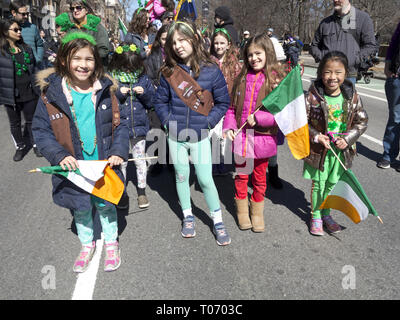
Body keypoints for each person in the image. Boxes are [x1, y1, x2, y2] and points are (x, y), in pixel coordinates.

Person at [32, 32, 129, 272]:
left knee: (106, 205)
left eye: (89, 59)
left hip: (103, 164)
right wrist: (59, 155)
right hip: (74, 168)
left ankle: (111, 242)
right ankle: (87, 245)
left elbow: (121, 124)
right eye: (76, 58)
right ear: (64, 60)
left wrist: (117, 150)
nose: (83, 65)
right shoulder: (50, 95)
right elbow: (41, 131)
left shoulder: (107, 91)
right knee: (81, 207)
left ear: (96, 61)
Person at [153, 20, 232, 246]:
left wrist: (208, 122)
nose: (178, 46)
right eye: (174, 42)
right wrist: (168, 123)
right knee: (181, 176)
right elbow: (160, 102)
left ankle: (217, 219)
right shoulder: (169, 72)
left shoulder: (211, 71)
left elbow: (223, 102)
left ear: (194, 40)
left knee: (206, 179)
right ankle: (187, 216)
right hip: (176, 135)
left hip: (200, 134)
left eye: (182, 40)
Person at [223, 34, 285, 233]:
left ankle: (257, 210)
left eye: (258, 53)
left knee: (260, 177)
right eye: (249, 55)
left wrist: (260, 119)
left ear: (268, 53)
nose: (253, 58)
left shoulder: (275, 80)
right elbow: (232, 109)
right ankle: (241, 209)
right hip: (242, 138)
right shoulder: (241, 77)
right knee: (241, 175)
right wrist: (229, 127)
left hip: (263, 139)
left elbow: (281, 115)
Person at [303, 51, 368, 236]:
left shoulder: (352, 97)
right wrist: (316, 136)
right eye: (327, 72)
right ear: (320, 73)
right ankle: (315, 215)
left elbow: (362, 122)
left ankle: (326, 214)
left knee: (332, 185)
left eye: (338, 72)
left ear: (346, 73)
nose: (332, 77)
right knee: (318, 184)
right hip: (319, 150)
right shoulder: (312, 97)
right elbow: (301, 123)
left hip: (340, 151)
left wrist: (347, 139)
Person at [109, 42, 155, 209]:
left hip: (139, 125)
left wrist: (146, 93)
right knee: (121, 161)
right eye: (125, 67)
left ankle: (141, 192)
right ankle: (121, 193)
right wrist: (118, 94)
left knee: (140, 159)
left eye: (132, 67)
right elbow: (106, 103)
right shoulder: (112, 79)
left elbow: (152, 102)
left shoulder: (143, 78)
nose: (129, 70)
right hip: (119, 126)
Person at [0, 18, 41, 161]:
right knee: (15, 123)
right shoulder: (2, 52)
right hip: (10, 94)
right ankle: (20, 146)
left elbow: (34, 69)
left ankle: (35, 144)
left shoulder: (27, 48)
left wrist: (38, 86)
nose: (19, 32)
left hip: (29, 92)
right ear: (5, 32)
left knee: (31, 121)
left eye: (19, 29)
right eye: (15, 30)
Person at [310, 0, 377, 84]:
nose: (335, 0)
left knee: (346, 97)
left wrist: (353, 60)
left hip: (348, 75)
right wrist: (323, 59)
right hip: (325, 74)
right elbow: (314, 46)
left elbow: (370, 45)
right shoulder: (325, 22)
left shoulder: (363, 18)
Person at [210, 27, 242, 176]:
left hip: (229, 105)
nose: (219, 46)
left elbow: (238, 82)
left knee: (225, 135)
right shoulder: (209, 61)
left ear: (228, 44)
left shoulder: (234, 64)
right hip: (213, 104)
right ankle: (214, 163)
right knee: (214, 135)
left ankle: (223, 161)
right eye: (216, 43)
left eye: (222, 43)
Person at [146, 24, 172, 176]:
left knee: (172, 130)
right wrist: (154, 87)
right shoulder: (153, 54)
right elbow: (148, 75)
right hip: (157, 95)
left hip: (172, 97)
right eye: (163, 39)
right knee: (157, 129)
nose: (166, 42)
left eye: (168, 39)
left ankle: (170, 160)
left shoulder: (176, 54)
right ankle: (158, 161)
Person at [54, 1, 110, 66]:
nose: (75, 10)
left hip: (95, 69)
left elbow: (103, 50)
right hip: (75, 69)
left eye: (78, 8)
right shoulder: (71, 29)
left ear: (86, 10)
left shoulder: (97, 28)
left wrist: (86, 58)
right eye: (72, 8)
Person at [377, 21, 400, 170]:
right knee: (395, 117)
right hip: (397, 77)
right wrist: (387, 65)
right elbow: (393, 44)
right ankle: (388, 155)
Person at [10, 0, 43, 66]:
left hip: (32, 67)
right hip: (13, 67)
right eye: (23, 14)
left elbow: (40, 45)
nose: (26, 16)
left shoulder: (33, 28)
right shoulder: (6, 27)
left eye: (27, 14)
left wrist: (38, 59)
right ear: (14, 13)